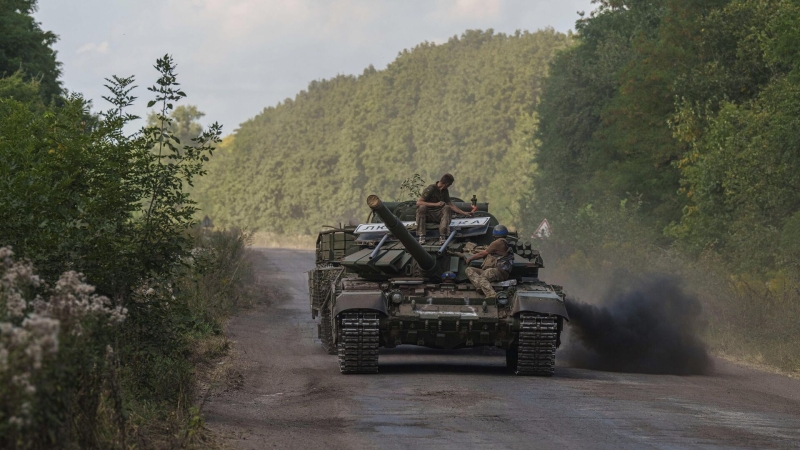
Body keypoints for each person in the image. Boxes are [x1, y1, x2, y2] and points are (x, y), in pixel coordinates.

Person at [416, 173, 472, 244]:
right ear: (447, 184)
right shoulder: (431, 189)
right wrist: (435, 204)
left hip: (438, 214)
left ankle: (443, 235)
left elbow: (450, 205)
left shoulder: (445, 191)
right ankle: (421, 235)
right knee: (422, 207)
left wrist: (464, 213)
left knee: (447, 207)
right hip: (427, 214)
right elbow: (419, 202)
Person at [464, 225, 514, 298]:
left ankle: (491, 295)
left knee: (483, 276)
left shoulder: (497, 242)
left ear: (494, 235)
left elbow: (482, 254)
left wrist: (470, 258)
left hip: (500, 271)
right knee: (469, 270)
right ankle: (481, 286)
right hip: (493, 271)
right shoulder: (505, 243)